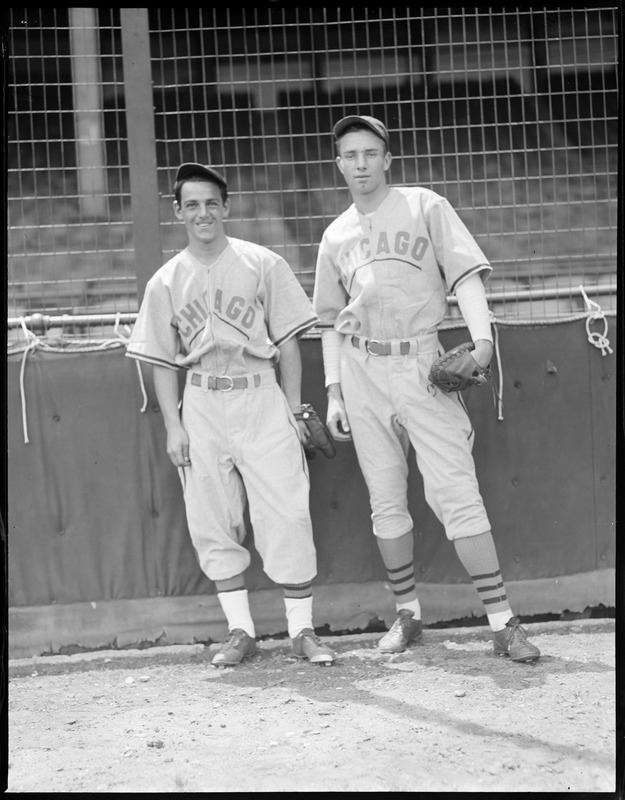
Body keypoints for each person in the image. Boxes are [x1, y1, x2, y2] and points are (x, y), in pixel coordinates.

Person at [312, 115, 540, 663]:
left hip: (421, 359)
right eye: (350, 155)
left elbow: (465, 277)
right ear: (338, 163)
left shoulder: (424, 206)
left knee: (456, 493)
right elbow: (328, 322)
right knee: (385, 500)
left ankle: (503, 622)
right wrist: (334, 391)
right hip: (363, 368)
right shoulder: (335, 235)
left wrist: (482, 343)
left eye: (370, 153)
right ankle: (408, 613)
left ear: (387, 158)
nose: (361, 164)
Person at [126, 162, 336, 667]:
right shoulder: (166, 280)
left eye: (211, 203)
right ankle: (240, 631)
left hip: (260, 393)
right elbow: (160, 361)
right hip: (200, 401)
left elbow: (288, 343)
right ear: (178, 212)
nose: (203, 213)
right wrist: (173, 427)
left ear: (227, 207)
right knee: (210, 517)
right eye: (191, 204)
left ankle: (302, 631)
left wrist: (292, 409)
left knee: (286, 510)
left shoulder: (262, 263)